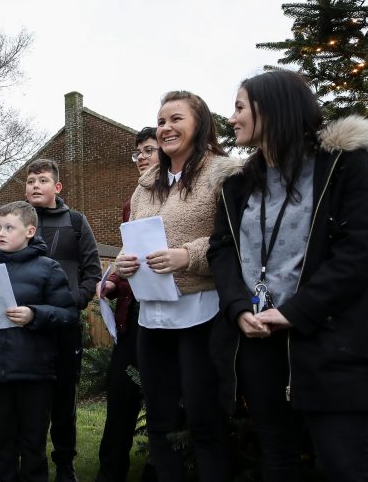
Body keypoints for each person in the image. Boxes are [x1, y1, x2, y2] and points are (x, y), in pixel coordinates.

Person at [209, 70, 368, 480]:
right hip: (259, 343)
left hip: (329, 342)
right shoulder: (236, 184)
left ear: (270, 110)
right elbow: (222, 251)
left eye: (240, 107)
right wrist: (238, 309)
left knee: (345, 465)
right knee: (277, 461)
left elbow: (358, 252)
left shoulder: (342, 165)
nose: (232, 118)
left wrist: (296, 311)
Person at [115, 91, 236, 482]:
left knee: (203, 419)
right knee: (160, 423)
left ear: (199, 124)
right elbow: (134, 237)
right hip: (152, 317)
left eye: (176, 119)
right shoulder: (146, 185)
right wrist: (122, 261)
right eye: (162, 120)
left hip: (201, 313)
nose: (166, 128)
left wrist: (188, 255)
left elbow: (232, 240)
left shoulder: (224, 173)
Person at [0, 200, 77, 482]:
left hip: (33, 372)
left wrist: (34, 314)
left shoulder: (48, 268)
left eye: (9, 227)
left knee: (32, 443)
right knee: (3, 443)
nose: (1, 233)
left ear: (29, 231)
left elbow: (69, 315)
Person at [24, 159, 103, 482]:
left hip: (64, 328)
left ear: (57, 187)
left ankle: (65, 465)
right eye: (30, 181)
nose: (35, 186)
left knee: (63, 400)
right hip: (27, 328)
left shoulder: (75, 222)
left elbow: (92, 272)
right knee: (31, 401)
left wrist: (74, 303)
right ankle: (32, 464)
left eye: (42, 180)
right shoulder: (18, 222)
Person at [95, 128, 158, 482]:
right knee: (120, 395)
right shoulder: (131, 204)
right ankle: (110, 473)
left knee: (164, 401)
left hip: (172, 316)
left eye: (150, 150)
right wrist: (112, 283)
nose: (143, 158)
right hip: (132, 317)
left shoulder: (187, 195)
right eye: (138, 153)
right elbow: (128, 259)